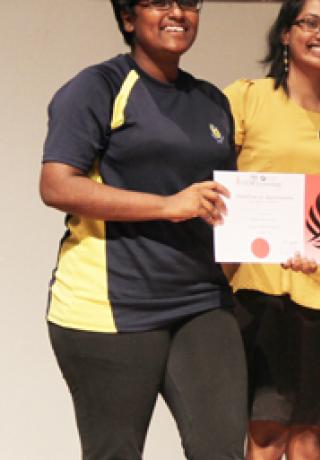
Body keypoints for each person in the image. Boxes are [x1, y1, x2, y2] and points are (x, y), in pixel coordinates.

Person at [40, 1, 246, 459]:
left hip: (200, 303)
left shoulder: (212, 101)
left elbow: (225, 203)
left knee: (222, 451)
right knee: (114, 453)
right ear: (129, 18)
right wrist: (168, 206)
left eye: (188, 2)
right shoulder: (98, 87)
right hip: (109, 307)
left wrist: (284, 243)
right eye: (158, 1)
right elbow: (56, 185)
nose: (177, 12)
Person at [223, 1, 320, 458]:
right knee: (266, 432)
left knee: (311, 437)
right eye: (310, 23)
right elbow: (218, 183)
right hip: (257, 288)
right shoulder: (246, 97)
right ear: (285, 34)